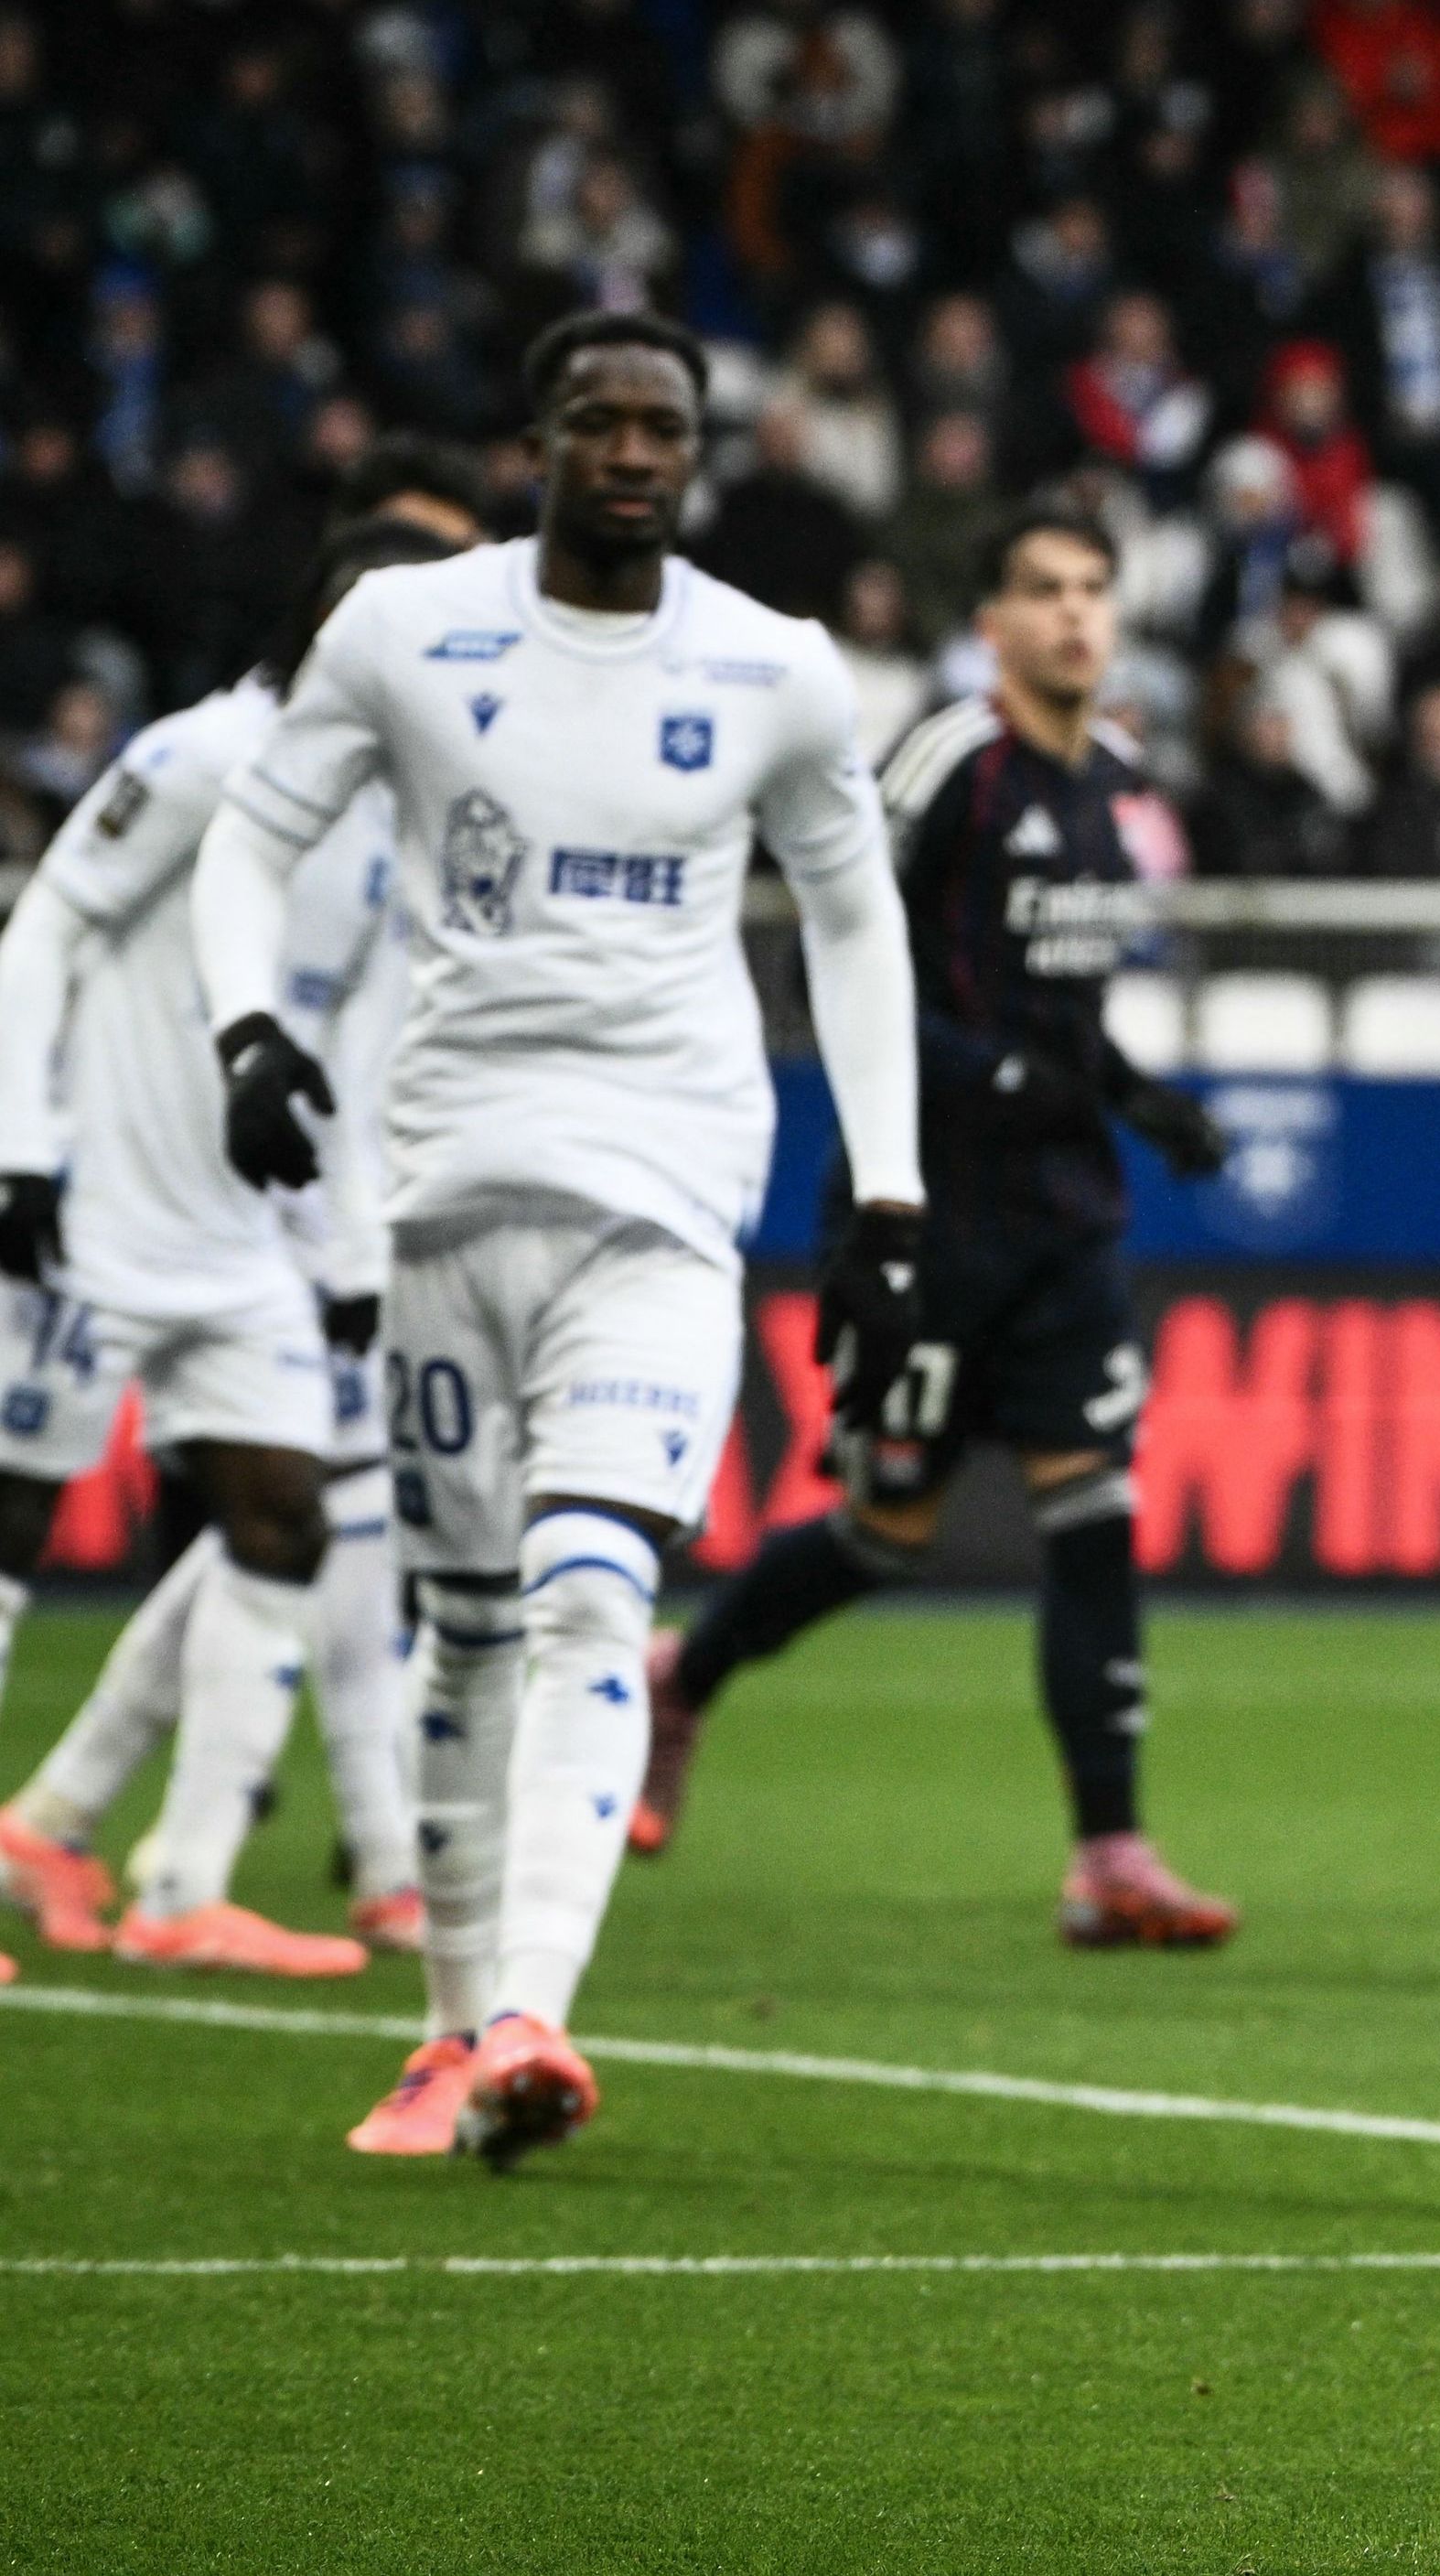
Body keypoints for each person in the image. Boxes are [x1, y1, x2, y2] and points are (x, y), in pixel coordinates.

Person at [184, 311, 933, 2171]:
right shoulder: (409, 631)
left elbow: (853, 925)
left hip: (666, 1198)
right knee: (459, 1633)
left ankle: (532, 2011)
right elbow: (245, 843)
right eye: (595, 419)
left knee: (591, 1585)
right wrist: (248, 1028)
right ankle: (448, 2032)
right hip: (444, 1186)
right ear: (540, 439)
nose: (627, 450)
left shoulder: (773, 669)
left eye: (660, 424)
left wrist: (890, 1190)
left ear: (696, 449)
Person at [638, 508, 1239, 1948]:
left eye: (1096, 589)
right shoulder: (946, 761)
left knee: (1094, 1513)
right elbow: (840, 952)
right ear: (994, 622)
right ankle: (687, 1674)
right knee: (885, 1529)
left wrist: (1137, 1095)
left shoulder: (1123, 781)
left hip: (1064, 1217)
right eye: (1044, 591)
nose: (1077, 617)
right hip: (931, 1205)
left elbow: (1063, 1010)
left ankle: (1109, 1851)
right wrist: (998, 1078)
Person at [0, 520, 468, 1979]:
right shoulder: (200, 758)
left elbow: (348, 1052)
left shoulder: (389, 821)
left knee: (284, 1518)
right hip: (95, 1213)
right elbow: (45, 927)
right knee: (6, 1532)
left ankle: (182, 1885)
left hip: (239, 1238)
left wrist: (341, 1251)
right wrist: (16, 1137)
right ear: (318, 620)